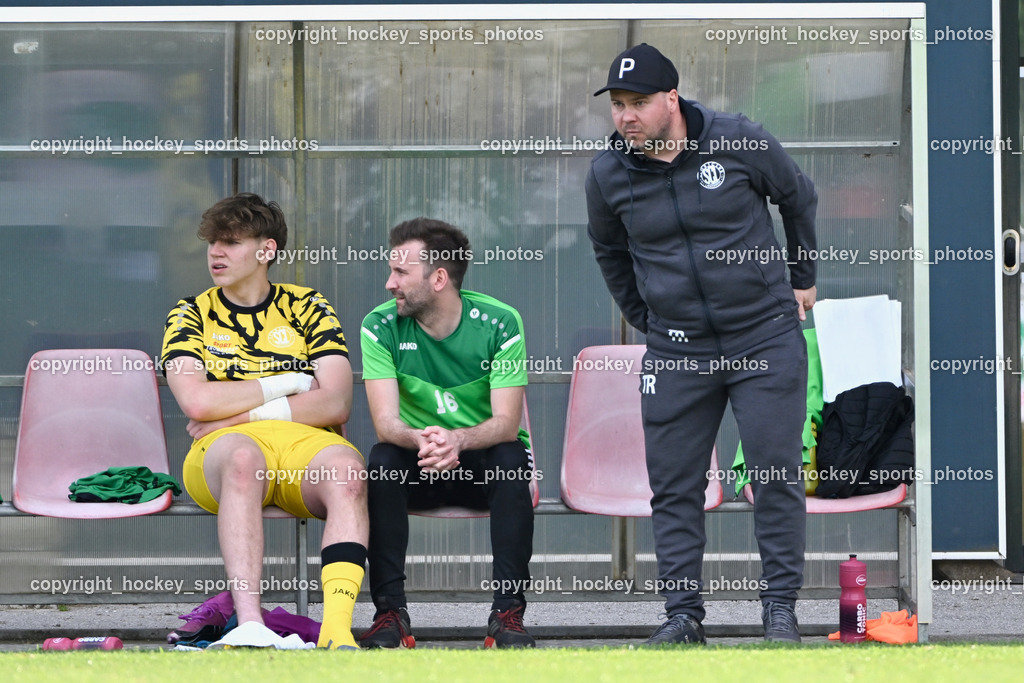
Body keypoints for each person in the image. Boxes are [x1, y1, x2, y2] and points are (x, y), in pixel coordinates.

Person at [585, 44, 817, 644]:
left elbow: (798, 196)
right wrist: (645, 316)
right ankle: (683, 616)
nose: (626, 116)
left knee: (774, 473)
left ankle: (780, 609)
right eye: (617, 105)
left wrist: (804, 277)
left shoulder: (738, 139)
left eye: (638, 103)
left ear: (671, 99)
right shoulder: (608, 172)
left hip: (763, 336)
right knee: (675, 483)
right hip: (677, 350)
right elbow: (610, 252)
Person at [160, 193, 367, 649]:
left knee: (348, 473)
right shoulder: (190, 312)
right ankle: (250, 623)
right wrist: (289, 382)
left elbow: (335, 403)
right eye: (213, 242)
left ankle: (337, 631)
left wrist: (234, 412)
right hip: (221, 454)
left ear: (266, 250)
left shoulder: (308, 306)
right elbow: (195, 401)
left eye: (231, 241)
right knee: (241, 455)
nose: (216, 252)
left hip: (301, 448)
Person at [358, 217, 536, 649]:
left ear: (438, 277)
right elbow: (386, 424)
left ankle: (507, 613)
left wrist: (458, 440)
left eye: (400, 272)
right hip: (419, 461)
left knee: (511, 458)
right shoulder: (379, 326)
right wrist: (426, 441)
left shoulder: (500, 322)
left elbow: (506, 423)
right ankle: (390, 613)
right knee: (382, 460)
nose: (389, 284)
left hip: (480, 466)